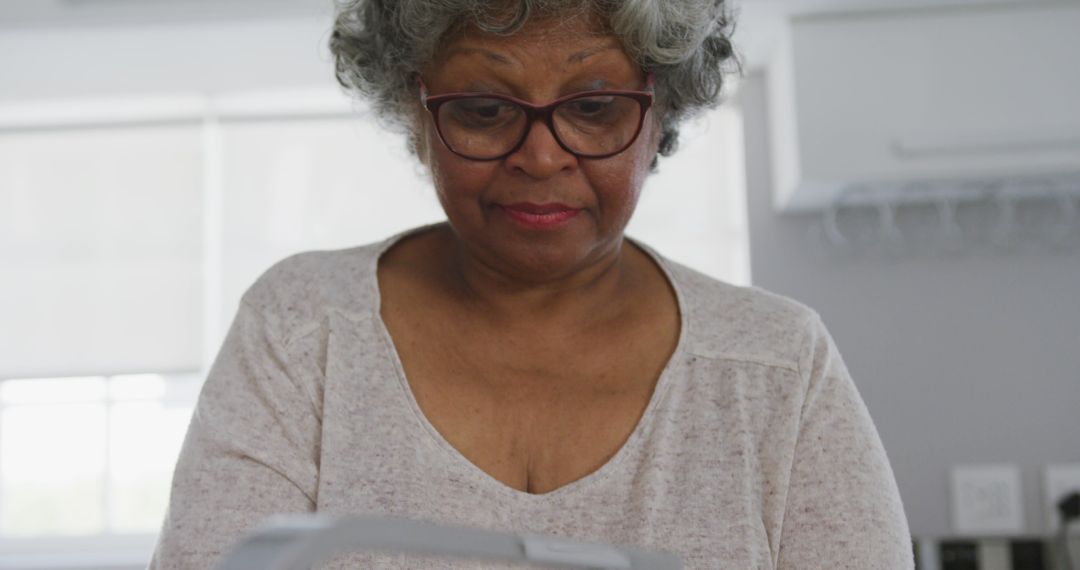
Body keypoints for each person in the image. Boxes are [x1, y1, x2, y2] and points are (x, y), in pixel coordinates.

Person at [148, 1, 913, 568]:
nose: (541, 158)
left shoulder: (776, 364)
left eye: (592, 108)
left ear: (660, 113)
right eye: (485, 110)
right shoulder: (303, 328)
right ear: (415, 111)